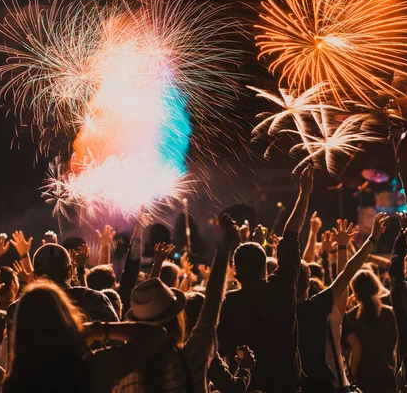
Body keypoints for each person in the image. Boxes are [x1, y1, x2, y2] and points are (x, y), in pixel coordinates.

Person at [114, 213, 237, 393]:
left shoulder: (123, 373)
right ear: (177, 320)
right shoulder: (192, 357)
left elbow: (140, 292)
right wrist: (223, 248)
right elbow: (211, 306)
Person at [217, 166, 314, 393]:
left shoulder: (231, 303)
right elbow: (292, 235)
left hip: (251, 388)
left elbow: (221, 347)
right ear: (265, 267)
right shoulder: (282, 289)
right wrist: (305, 193)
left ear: (236, 271)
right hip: (287, 388)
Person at [2, 281, 166, 393]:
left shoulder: (12, 385)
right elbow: (156, 335)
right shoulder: (91, 369)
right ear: (65, 317)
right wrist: (96, 330)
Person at [297, 215, 389, 392]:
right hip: (335, 387)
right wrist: (359, 242)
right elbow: (346, 275)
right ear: (307, 285)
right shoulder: (327, 311)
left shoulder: (283, 311)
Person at [343, 270, 397, 393]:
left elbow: (354, 352)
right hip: (387, 375)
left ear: (355, 291)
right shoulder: (389, 313)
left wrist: (352, 377)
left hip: (364, 380)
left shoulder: (350, 317)